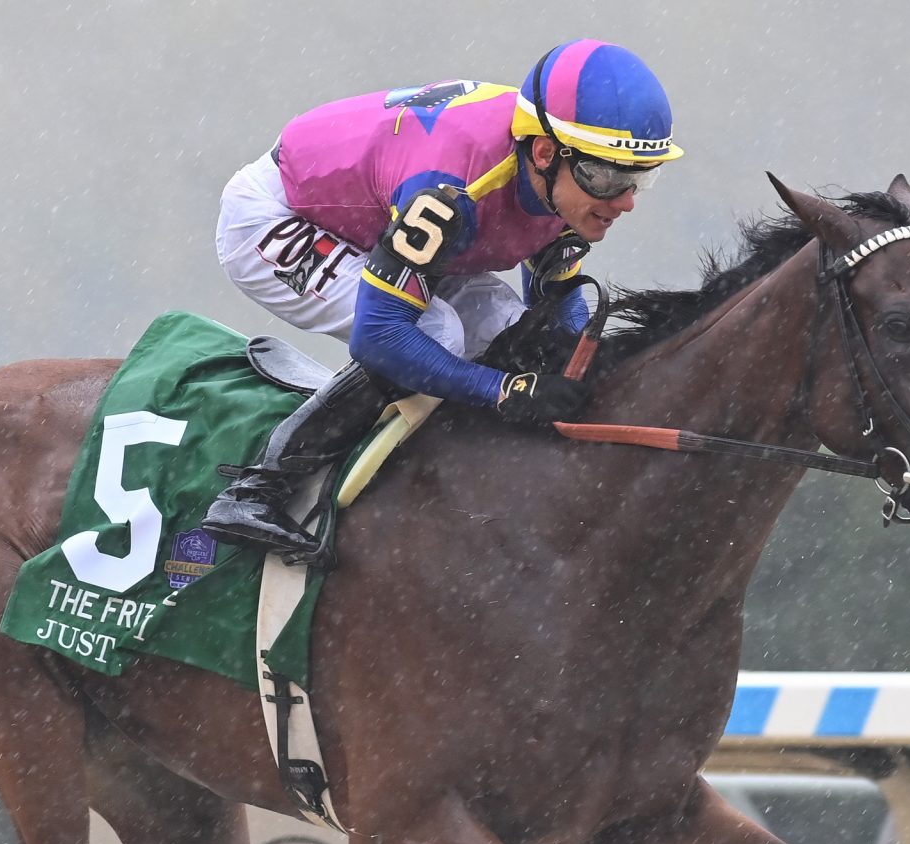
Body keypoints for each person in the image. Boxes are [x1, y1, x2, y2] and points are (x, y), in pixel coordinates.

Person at [204, 40, 682, 558]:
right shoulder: (451, 192)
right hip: (283, 215)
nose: (626, 201)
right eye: (611, 177)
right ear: (545, 154)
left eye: (640, 178)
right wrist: (501, 389)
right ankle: (258, 488)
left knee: (508, 324)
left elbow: (557, 302)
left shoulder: (568, 180)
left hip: (388, 215)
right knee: (436, 332)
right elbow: (380, 337)